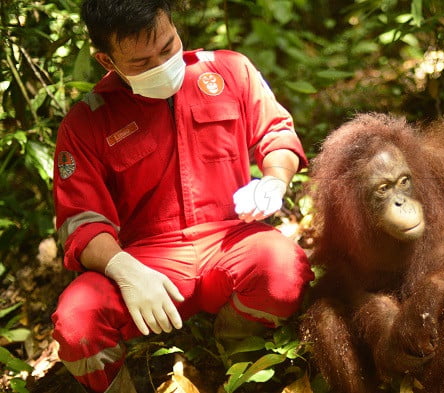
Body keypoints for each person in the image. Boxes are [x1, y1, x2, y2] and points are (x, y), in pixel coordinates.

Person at [51, 0, 314, 391]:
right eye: (141, 62)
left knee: (284, 268)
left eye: (168, 47)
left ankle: (238, 344)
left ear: (173, 26)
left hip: (231, 238)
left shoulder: (229, 70)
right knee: (77, 324)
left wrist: (274, 181)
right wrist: (124, 270)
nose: (161, 65)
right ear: (106, 60)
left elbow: (275, 132)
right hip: (145, 260)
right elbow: (81, 220)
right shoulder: (87, 122)